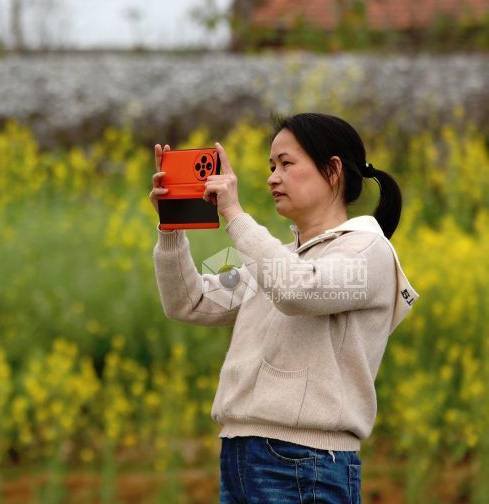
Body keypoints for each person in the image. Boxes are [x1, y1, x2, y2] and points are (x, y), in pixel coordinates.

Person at [148, 113, 419, 504]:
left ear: (332, 171)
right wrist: (171, 228)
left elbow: (296, 289)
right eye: (271, 166)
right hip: (241, 455)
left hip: (305, 462)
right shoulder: (274, 256)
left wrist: (236, 216)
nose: (273, 177)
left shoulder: (368, 251)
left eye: (287, 164)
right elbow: (191, 301)